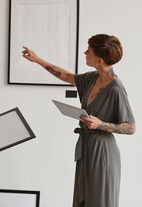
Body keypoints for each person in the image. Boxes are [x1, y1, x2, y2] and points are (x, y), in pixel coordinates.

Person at [22, 34, 135, 207]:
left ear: (98, 60)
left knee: (99, 202)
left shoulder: (116, 89)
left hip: (102, 152)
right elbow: (67, 76)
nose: (84, 52)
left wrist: (100, 124)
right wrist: (37, 60)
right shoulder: (92, 78)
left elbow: (130, 127)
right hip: (86, 148)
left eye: (88, 51)